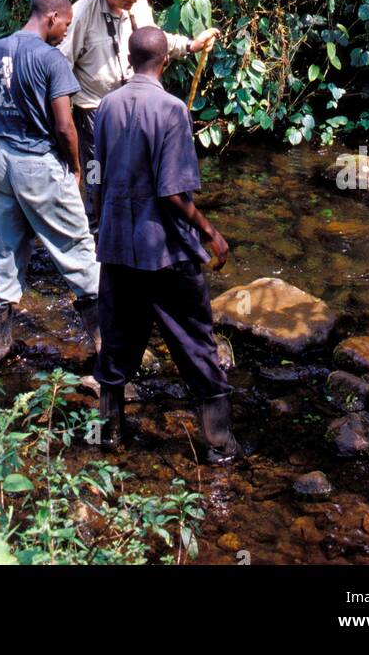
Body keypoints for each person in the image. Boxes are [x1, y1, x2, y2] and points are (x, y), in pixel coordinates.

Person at [93, 26, 238, 464]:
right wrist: (210, 232)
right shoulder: (173, 109)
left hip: (117, 247)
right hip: (165, 252)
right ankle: (218, 443)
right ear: (165, 61)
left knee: (117, 341)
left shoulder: (105, 106)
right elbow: (172, 193)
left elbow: (95, 174)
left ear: (129, 58)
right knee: (195, 340)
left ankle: (109, 436)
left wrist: (99, 220)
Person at [0, 0, 100, 364]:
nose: (65, 33)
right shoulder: (51, 59)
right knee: (77, 250)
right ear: (52, 17)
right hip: (38, 163)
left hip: (4, 162)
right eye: (66, 25)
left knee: (8, 248)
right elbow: (64, 126)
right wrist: (75, 167)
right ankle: (106, 345)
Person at [59, 0, 219, 226]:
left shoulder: (138, 4)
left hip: (134, 105)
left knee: (135, 170)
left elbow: (153, 40)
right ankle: (96, 224)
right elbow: (61, 65)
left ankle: (133, 225)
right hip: (93, 110)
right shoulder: (82, 13)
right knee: (95, 171)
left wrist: (190, 46)